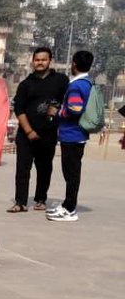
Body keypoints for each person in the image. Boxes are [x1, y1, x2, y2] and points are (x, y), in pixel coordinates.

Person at [8, 47, 68, 213]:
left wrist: (59, 111)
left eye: (43, 59)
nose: (40, 63)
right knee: (22, 169)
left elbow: (68, 102)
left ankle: (41, 199)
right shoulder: (25, 84)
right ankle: (20, 202)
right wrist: (28, 131)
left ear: (50, 61)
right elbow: (19, 109)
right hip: (26, 134)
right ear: (32, 61)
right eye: (37, 60)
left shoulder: (61, 80)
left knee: (44, 168)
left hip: (48, 133)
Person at [52, 50, 94, 222]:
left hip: (72, 134)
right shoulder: (87, 83)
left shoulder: (76, 85)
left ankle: (70, 208)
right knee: (72, 173)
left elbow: (75, 109)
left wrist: (58, 112)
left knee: (71, 173)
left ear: (74, 64)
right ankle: (67, 205)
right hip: (77, 134)